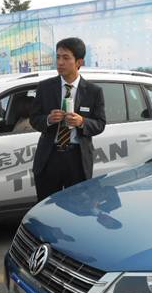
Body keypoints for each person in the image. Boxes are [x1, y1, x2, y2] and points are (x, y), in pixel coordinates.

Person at [30, 37, 106, 201]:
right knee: (47, 206)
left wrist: (82, 122)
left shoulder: (93, 91)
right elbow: (34, 119)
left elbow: (100, 124)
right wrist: (48, 119)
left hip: (77, 158)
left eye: (66, 58)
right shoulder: (45, 87)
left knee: (78, 206)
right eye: (58, 57)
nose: (60, 62)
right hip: (49, 157)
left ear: (79, 62)